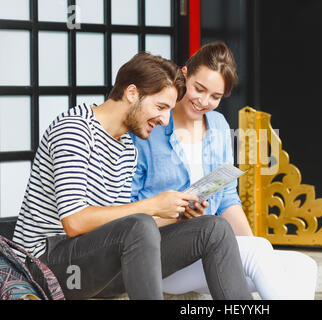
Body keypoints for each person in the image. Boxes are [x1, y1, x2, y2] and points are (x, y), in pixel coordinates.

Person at [12, 52, 253, 300]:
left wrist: (178, 217)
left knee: (213, 228)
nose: (164, 119)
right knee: (139, 223)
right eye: (160, 107)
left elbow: (120, 229)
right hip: (44, 265)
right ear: (132, 94)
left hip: (95, 259)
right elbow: (74, 222)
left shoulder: (127, 147)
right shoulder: (75, 130)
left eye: (169, 110)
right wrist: (153, 206)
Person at [131, 41, 318, 300]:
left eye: (215, 97)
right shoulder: (150, 128)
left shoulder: (218, 125)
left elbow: (228, 197)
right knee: (258, 252)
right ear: (184, 75)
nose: (204, 101)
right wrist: (178, 215)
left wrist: (254, 249)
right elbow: (128, 214)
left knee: (302, 265)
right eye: (199, 89)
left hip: (211, 250)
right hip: (161, 254)